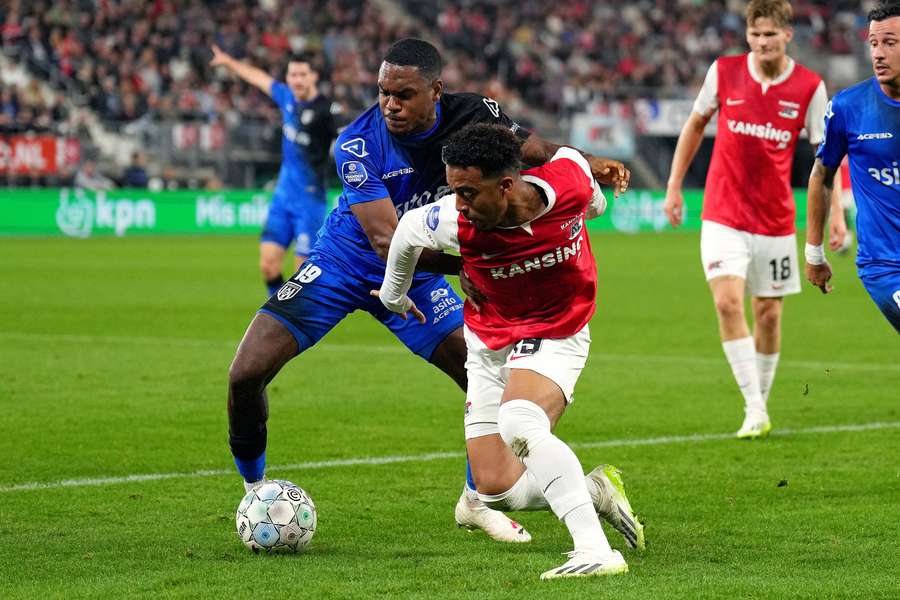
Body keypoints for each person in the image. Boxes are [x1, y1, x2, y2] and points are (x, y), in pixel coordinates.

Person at [226, 38, 630, 544]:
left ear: (436, 91)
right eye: (382, 92)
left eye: (403, 94)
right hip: (344, 264)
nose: (390, 104)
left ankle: (477, 499)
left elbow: (533, 150)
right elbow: (385, 241)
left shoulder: (475, 114)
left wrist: (590, 160)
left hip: (419, 276)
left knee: (487, 384)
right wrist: (483, 262)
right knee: (246, 373)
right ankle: (255, 489)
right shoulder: (357, 143)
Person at [375, 123, 643, 580]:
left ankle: (595, 551)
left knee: (519, 419)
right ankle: (593, 491)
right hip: (488, 339)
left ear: (506, 184)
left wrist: (590, 203)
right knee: (495, 488)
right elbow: (406, 232)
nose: (459, 203)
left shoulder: (570, 184)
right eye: (453, 190)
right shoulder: (455, 220)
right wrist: (393, 295)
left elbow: (590, 198)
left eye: (468, 192)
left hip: (558, 329)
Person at [663, 0, 846, 439]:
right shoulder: (724, 72)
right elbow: (694, 124)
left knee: (767, 314)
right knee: (728, 302)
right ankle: (753, 407)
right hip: (722, 213)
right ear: (747, 36)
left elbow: (826, 160)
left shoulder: (808, 86)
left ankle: (758, 408)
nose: (762, 43)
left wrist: (837, 213)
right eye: (755, 35)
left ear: (787, 36)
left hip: (775, 220)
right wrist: (674, 185)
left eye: (770, 35)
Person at [210, 46, 338, 295]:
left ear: (314, 77)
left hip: (310, 202)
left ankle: (297, 327)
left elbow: (349, 140)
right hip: (282, 199)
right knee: (268, 266)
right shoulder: (287, 98)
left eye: (302, 75)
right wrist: (228, 62)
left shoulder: (326, 111)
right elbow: (258, 78)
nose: (297, 80)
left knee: (304, 278)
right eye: (293, 75)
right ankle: (278, 318)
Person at [806, 1, 900, 332]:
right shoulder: (849, 107)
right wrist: (814, 254)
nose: (878, 53)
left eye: (890, 43)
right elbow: (821, 175)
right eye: (873, 43)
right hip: (886, 266)